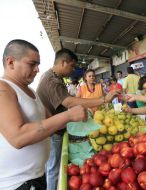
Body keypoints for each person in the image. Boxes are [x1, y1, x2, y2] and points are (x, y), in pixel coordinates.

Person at [0, 39, 87, 190]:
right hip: (18, 183)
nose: (37, 69)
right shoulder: (3, 88)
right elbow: (17, 136)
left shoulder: (30, 91)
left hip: (36, 176)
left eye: (38, 64)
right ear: (11, 62)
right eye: (32, 64)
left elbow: (49, 120)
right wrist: (69, 115)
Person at [36, 49, 117, 190]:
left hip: (53, 129)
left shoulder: (53, 76)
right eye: (72, 66)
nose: (73, 70)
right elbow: (69, 102)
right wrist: (104, 99)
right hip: (52, 131)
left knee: (53, 167)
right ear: (63, 62)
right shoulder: (53, 81)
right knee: (53, 169)